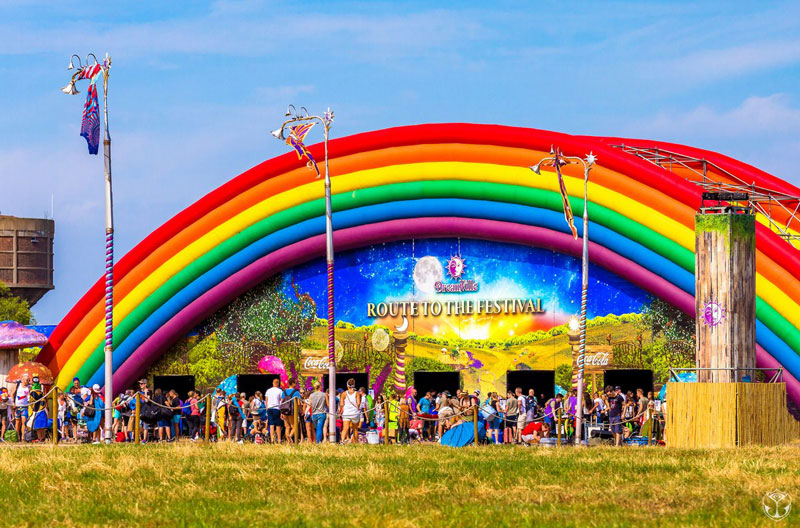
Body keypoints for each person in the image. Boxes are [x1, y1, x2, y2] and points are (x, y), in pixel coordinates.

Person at [338, 378, 361, 444]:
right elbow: (358, 403)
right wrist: (357, 408)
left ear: (347, 385)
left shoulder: (344, 394)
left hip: (346, 413)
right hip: (354, 413)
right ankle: (356, 442)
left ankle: (342, 441)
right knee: (355, 429)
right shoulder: (357, 393)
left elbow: (342, 404)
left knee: (345, 428)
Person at [12, 373, 31, 442]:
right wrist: (13, 403)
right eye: (26, 380)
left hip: (25, 406)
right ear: (22, 380)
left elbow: (30, 395)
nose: (27, 381)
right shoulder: (18, 385)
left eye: (28, 380)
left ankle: (23, 437)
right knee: (17, 422)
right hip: (17, 406)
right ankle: (17, 437)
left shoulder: (29, 387)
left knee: (24, 422)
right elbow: (12, 393)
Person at [265, 378, 284, 443]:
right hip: (277, 408)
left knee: (271, 424)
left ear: (273, 383)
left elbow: (266, 401)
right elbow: (282, 401)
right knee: (278, 424)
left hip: (269, 408)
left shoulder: (268, 391)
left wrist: (266, 409)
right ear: (278, 384)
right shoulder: (280, 391)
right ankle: (279, 439)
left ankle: (272, 439)